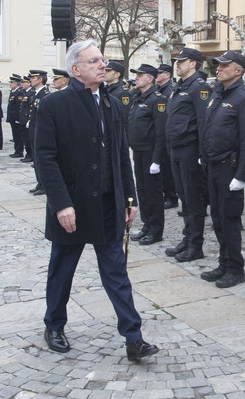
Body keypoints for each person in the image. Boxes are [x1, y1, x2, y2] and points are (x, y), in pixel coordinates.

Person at [33, 39, 158, 363]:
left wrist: (129, 199)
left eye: (102, 60)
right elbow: (45, 159)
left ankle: (134, 337)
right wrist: (61, 204)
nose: (103, 65)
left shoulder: (113, 104)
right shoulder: (54, 105)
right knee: (62, 270)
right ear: (76, 69)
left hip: (106, 204)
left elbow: (120, 155)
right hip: (72, 206)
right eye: (94, 61)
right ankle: (54, 325)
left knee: (116, 271)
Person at [200, 52, 245, 288]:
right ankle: (224, 262)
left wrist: (242, 176)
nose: (219, 68)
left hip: (230, 167)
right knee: (217, 218)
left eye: (225, 66)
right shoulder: (217, 93)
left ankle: (236, 268)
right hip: (214, 165)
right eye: (218, 65)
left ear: (238, 71)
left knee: (230, 219)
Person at [163, 47, 212, 263]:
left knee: (193, 199)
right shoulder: (180, 86)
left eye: (181, 61)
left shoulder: (199, 88)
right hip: (176, 148)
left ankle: (196, 244)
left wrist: (202, 154)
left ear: (193, 63)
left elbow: (204, 122)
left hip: (190, 149)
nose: (177, 64)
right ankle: (187, 238)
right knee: (183, 196)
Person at [127, 63, 168, 245]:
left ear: (150, 78)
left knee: (153, 193)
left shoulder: (157, 100)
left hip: (151, 153)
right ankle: (147, 225)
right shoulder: (138, 97)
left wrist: (157, 160)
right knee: (142, 192)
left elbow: (161, 132)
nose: (136, 77)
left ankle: (156, 230)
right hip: (139, 152)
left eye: (140, 75)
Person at [155, 63, 179, 210]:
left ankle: (172, 196)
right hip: (160, 132)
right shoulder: (159, 90)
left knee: (168, 168)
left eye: (160, 73)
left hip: (167, 133)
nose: (157, 75)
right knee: (163, 167)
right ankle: (167, 193)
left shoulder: (170, 90)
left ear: (167, 75)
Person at [7, 74, 26, 157]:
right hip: (12, 118)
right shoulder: (13, 92)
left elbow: (19, 106)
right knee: (15, 135)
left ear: (15, 84)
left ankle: (19, 151)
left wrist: (18, 118)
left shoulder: (19, 92)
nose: (10, 84)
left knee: (18, 136)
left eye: (11, 83)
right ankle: (16, 150)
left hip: (16, 118)